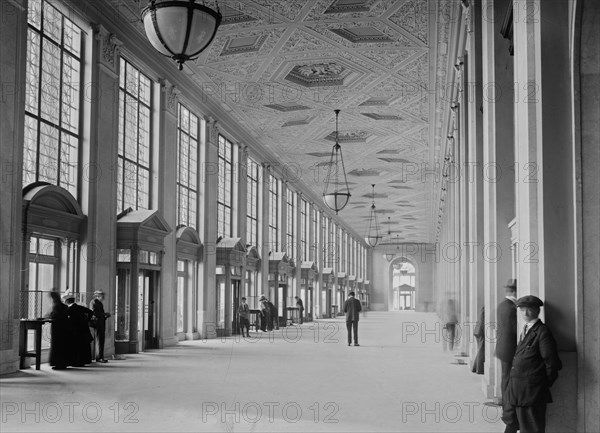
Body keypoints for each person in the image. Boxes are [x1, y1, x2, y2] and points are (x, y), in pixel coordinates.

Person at [502, 295, 562, 433]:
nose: (525, 313)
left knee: (531, 428)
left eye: (529, 309)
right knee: (511, 423)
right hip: (516, 390)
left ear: (537, 311)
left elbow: (551, 362)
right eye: (522, 309)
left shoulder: (542, 331)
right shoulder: (526, 329)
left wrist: (541, 384)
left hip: (531, 392)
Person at [496, 279, 518, 403]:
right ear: (514, 292)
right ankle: (507, 405)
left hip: (503, 347)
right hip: (509, 348)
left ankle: (506, 403)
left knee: (505, 376)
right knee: (508, 377)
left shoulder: (502, 305)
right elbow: (515, 329)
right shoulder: (512, 308)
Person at [63, 293, 94, 366]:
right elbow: (90, 312)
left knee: (76, 346)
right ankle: (83, 361)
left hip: (74, 330)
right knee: (82, 346)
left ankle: (76, 361)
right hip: (83, 329)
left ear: (67, 301)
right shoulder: (80, 307)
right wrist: (86, 320)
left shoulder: (69, 309)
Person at [45, 290, 71, 370]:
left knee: (57, 346)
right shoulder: (64, 306)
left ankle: (58, 364)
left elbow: (52, 315)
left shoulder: (55, 306)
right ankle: (63, 363)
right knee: (63, 346)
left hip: (57, 328)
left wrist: (47, 316)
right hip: (65, 328)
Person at [89, 290, 111, 363]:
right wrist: (104, 314)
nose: (103, 297)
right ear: (97, 296)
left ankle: (100, 357)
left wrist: (105, 315)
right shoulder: (94, 302)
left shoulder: (98, 302)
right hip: (98, 323)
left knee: (101, 340)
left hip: (100, 323)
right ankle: (99, 357)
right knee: (99, 340)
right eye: (102, 296)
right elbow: (94, 312)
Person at [472, 305, 485, 374]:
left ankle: (475, 368)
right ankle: (479, 369)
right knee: (481, 350)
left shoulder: (483, 308)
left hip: (478, 331)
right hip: (480, 332)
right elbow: (483, 322)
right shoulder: (485, 309)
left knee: (480, 350)